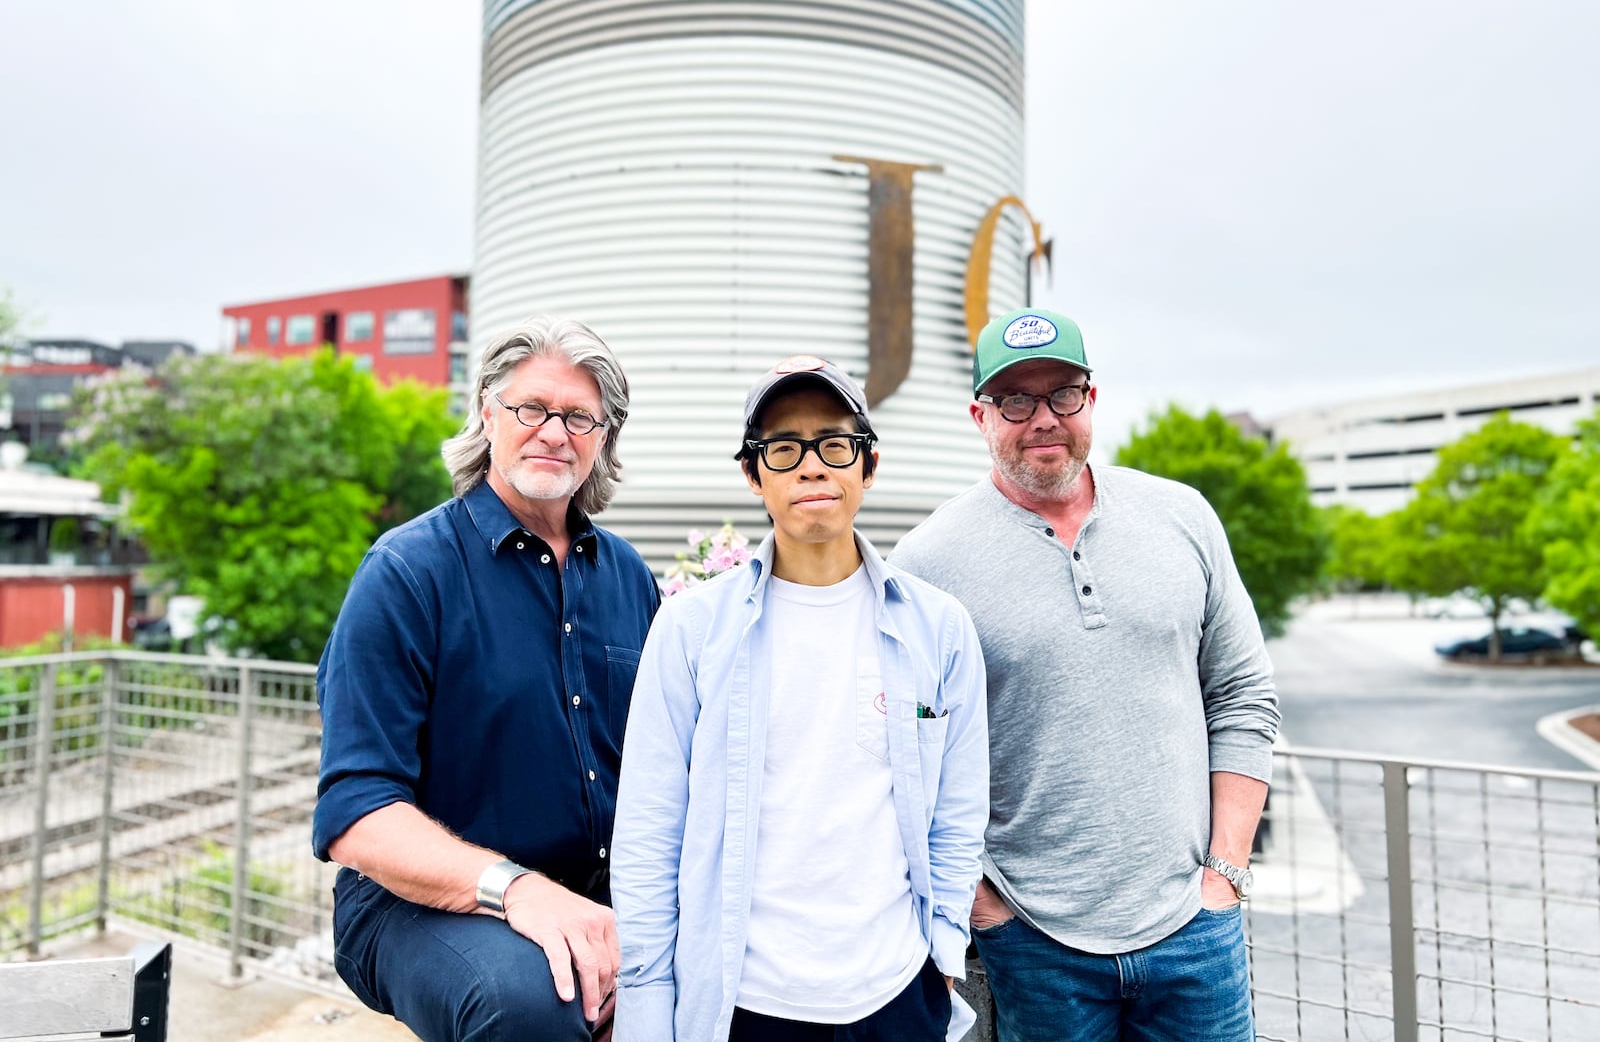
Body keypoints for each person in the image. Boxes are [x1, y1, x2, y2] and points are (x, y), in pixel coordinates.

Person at [892, 308, 1280, 1042]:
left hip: (1196, 932)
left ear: (1092, 402)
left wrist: (1224, 877)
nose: (1043, 419)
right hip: (1036, 944)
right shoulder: (926, 564)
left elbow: (1242, 696)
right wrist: (984, 905)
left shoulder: (1183, 519)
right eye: (1016, 400)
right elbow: (909, 751)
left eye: (1062, 394)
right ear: (980, 416)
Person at [611, 355, 989, 1042]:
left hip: (898, 995)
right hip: (743, 1004)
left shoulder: (939, 629)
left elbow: (959, 811)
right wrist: (646, 1008)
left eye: (834, 444)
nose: (812, 466)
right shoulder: (692, 630)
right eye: (783, 449)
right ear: (754, 475)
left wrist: (944, 957)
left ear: (867, 466)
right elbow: (648, 833)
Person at [312, 317, 661, 1042]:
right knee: (532, 1003)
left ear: (603, 436)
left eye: (578, 416)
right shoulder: (406, 573)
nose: (553, 432)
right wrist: (520, 891)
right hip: (417, 903)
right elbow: (356, 813)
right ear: (486, 411)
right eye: (531, 408)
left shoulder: (630, 579)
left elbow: (665, 771)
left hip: (595, 896)